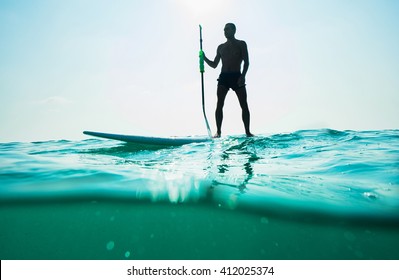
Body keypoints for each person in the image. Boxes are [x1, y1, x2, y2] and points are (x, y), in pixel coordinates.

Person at [203, 23, 253, 138]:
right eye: (224, 30)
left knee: (244, 104)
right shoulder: (221, 47)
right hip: (224, 77)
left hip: (237, 76)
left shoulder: (241, 44)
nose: (225, 31)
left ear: (234, 30)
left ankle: (248, 132)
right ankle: (218, 131)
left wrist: (243, 75)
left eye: (227, 29)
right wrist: (204, 58)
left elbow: (246, 62)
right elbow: (214, 65)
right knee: (219, 104)